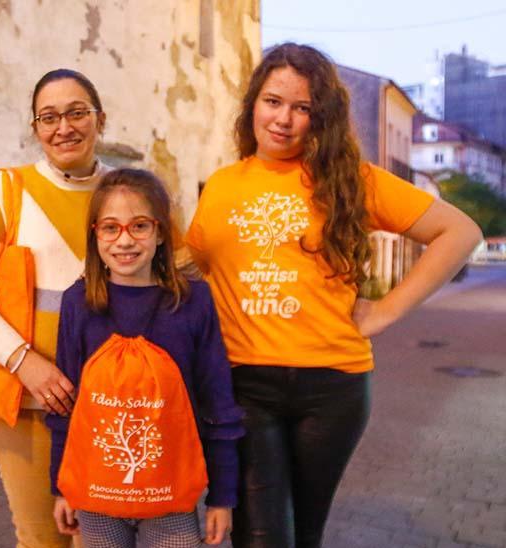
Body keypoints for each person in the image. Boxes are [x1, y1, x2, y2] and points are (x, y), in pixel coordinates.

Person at [185, 43, 483, 548]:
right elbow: (192, 267)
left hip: (333, 387)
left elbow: (459, 231)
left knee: (305, 532)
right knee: (260, 535)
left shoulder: (350, 182)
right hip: (243, 384)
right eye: (274, 101)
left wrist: (386, 311)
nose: (284, 119)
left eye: (303, 108)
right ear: (253, 103)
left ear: (320, 118)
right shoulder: (221, 186)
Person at [0, 68, 114, 548]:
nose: (64, 127)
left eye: (77, 113)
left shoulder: (128, 192)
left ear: (101, 118)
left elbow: (178, 278)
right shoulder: (7, 189)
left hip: (115, 400)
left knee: (103, 536)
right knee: (42, 537)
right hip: (30, 399)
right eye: (48, 117)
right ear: (35, 128)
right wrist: (24, 361)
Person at [47, 169, 243, 547]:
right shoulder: (79, 303)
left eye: (139, 225)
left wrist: (222, 495)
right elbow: (65, 405)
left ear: (161, 233)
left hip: (170, 498)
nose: (124, 240)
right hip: (98, 496)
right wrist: (60, 485)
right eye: (110, 228)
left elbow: (218, 400)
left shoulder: (193, 302)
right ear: (95, 234)